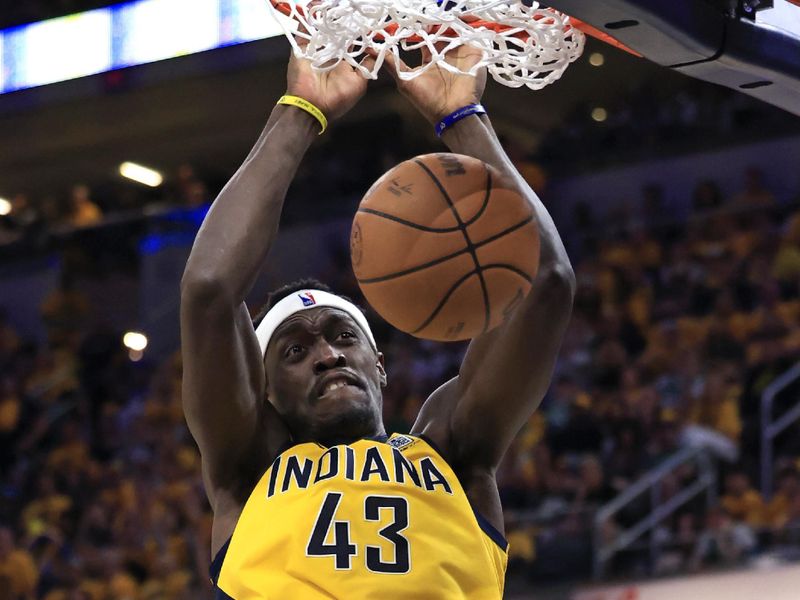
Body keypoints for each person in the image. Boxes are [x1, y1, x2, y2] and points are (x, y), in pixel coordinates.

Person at [180, 43, 575, 599]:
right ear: (262, 393)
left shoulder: (451, 449)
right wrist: (300, 109)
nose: (327, 354)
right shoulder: (251, 469)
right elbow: (209, 289)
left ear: (381, 364)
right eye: (294, 351)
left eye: (343, 336)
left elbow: (544, 282)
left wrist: (462, 117)